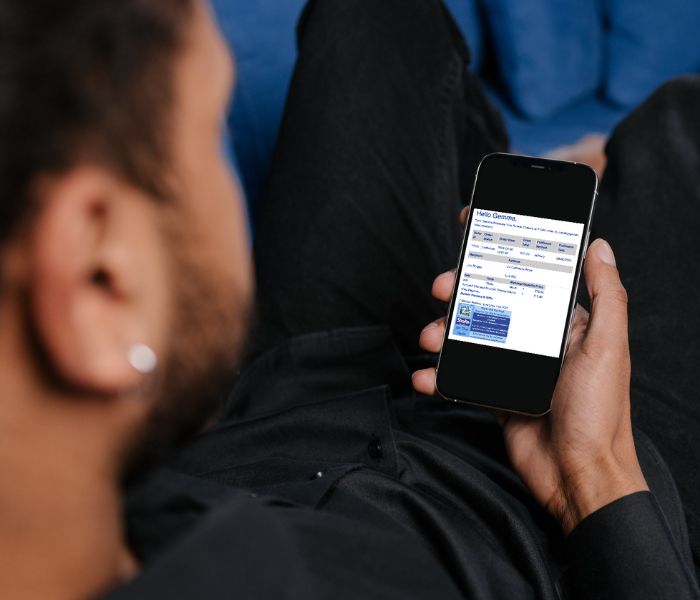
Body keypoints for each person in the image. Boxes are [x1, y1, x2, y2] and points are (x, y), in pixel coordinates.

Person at [0, 1, 698, 600]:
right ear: (98, 275)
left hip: (300, 401)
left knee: (370, 18)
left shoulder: (76, 510)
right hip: (549, 495)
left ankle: (486, 186)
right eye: (204, 137)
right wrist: (595, 474)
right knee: (682, 127)